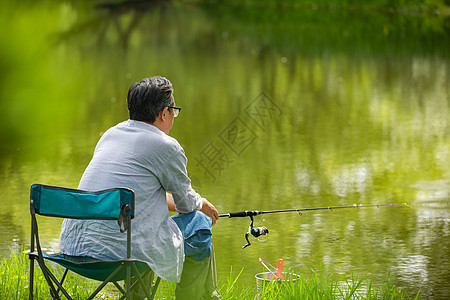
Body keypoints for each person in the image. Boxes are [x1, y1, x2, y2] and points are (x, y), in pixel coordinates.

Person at [60, 76, 221, 299]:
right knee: (200, 226)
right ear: (164, 112)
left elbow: (135, 197)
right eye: (174, 111)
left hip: (75, 248)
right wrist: (201, 203)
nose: (173, 116)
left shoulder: (110, 135)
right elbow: (186, 206)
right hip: (120, 254)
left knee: (141, 227)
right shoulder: (166, 146)